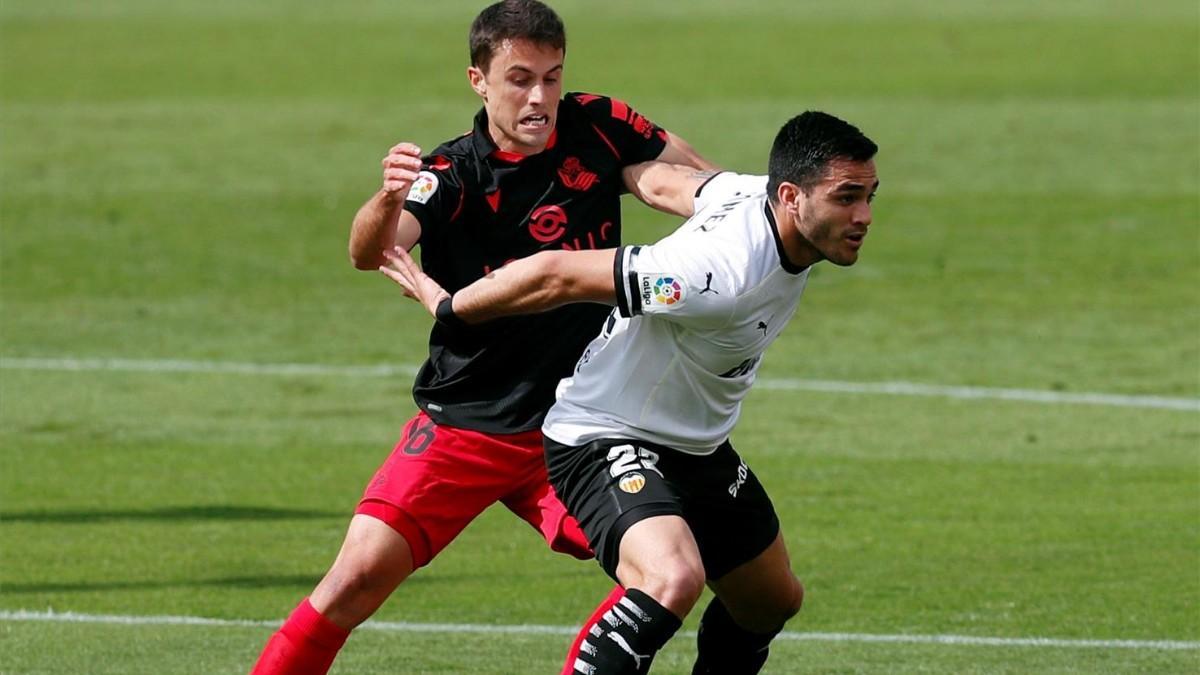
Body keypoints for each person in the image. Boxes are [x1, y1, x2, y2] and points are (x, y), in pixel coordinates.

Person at [248, 1, 715, 673]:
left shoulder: (602, 125)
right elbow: (369, 251)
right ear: (479, 80)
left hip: (581, 429)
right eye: (520, 78)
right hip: (466, 425)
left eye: (552, 78)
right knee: (351, 581)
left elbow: (697, 177)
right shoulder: (454, 171)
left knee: (672, 567)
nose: (540, 97)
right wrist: (385, 198)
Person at [380, 110, 879, 674]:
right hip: (601, 433)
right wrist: (449, 306)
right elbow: (555, 273)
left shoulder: (749, 194)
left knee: (770, 601)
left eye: (869, 196)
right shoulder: (710, 277)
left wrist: (618, 168)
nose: (863, 216)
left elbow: (668, 181)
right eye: (846, 198)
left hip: (696, 446)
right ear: (790, 196)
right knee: (672, 579)